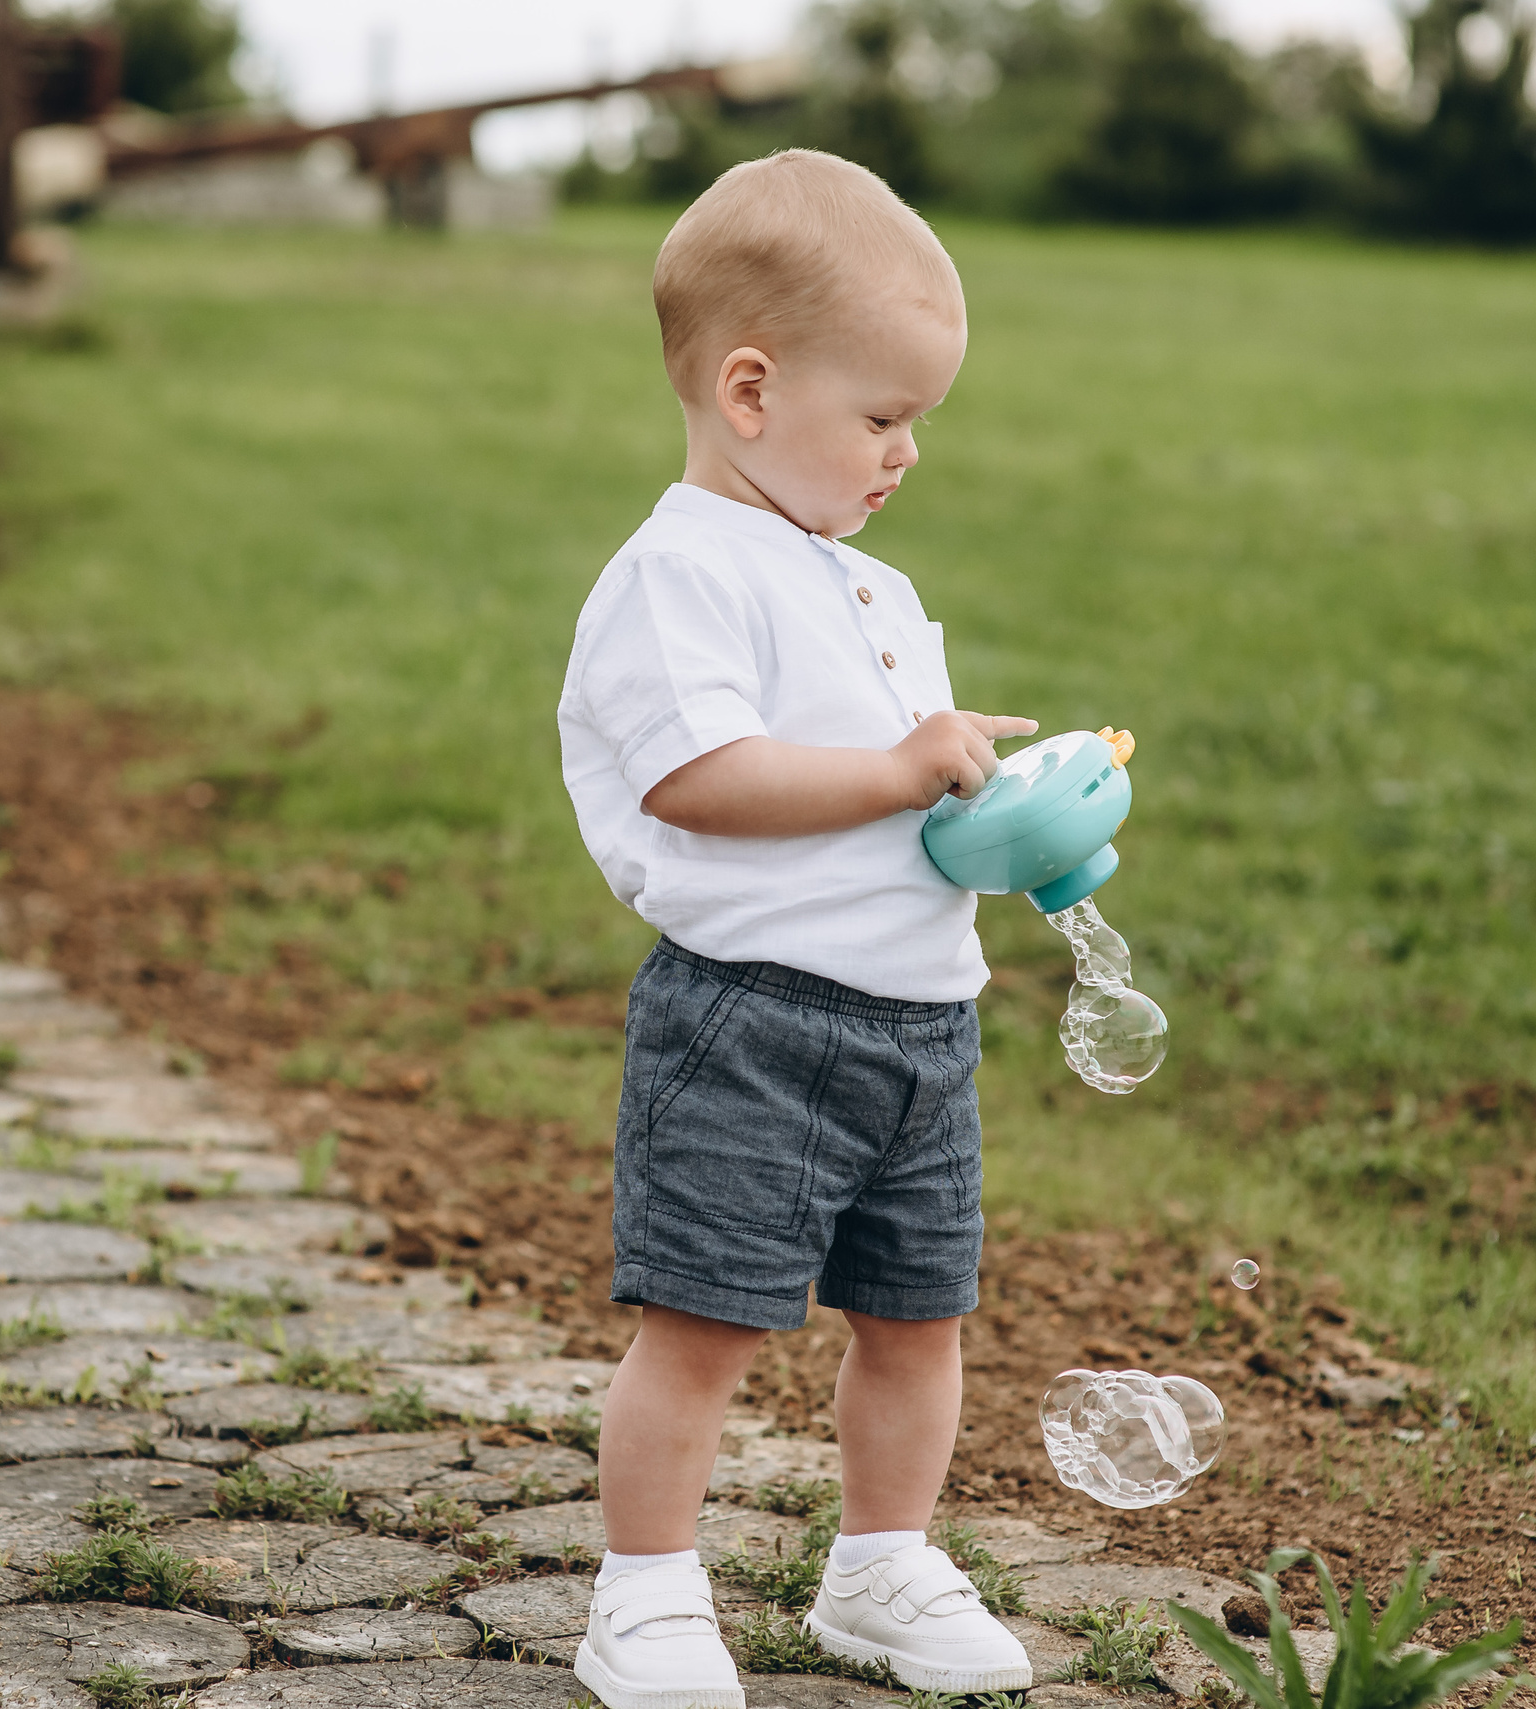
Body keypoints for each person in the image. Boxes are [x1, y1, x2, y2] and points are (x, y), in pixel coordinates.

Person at [556, 149, 1039, 1709]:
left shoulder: (869, 583)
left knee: (919, 1319)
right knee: (701, 1327)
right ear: (751, 391)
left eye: (920, 423)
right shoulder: (681, 572)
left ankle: (880, 1561)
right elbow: (701, 777)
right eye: (884, 417)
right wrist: (901, 764)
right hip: (751, 1021)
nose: (907, 453)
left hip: (919, 1027)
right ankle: (645, 1595)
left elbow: (885, 804)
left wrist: (987, 810)